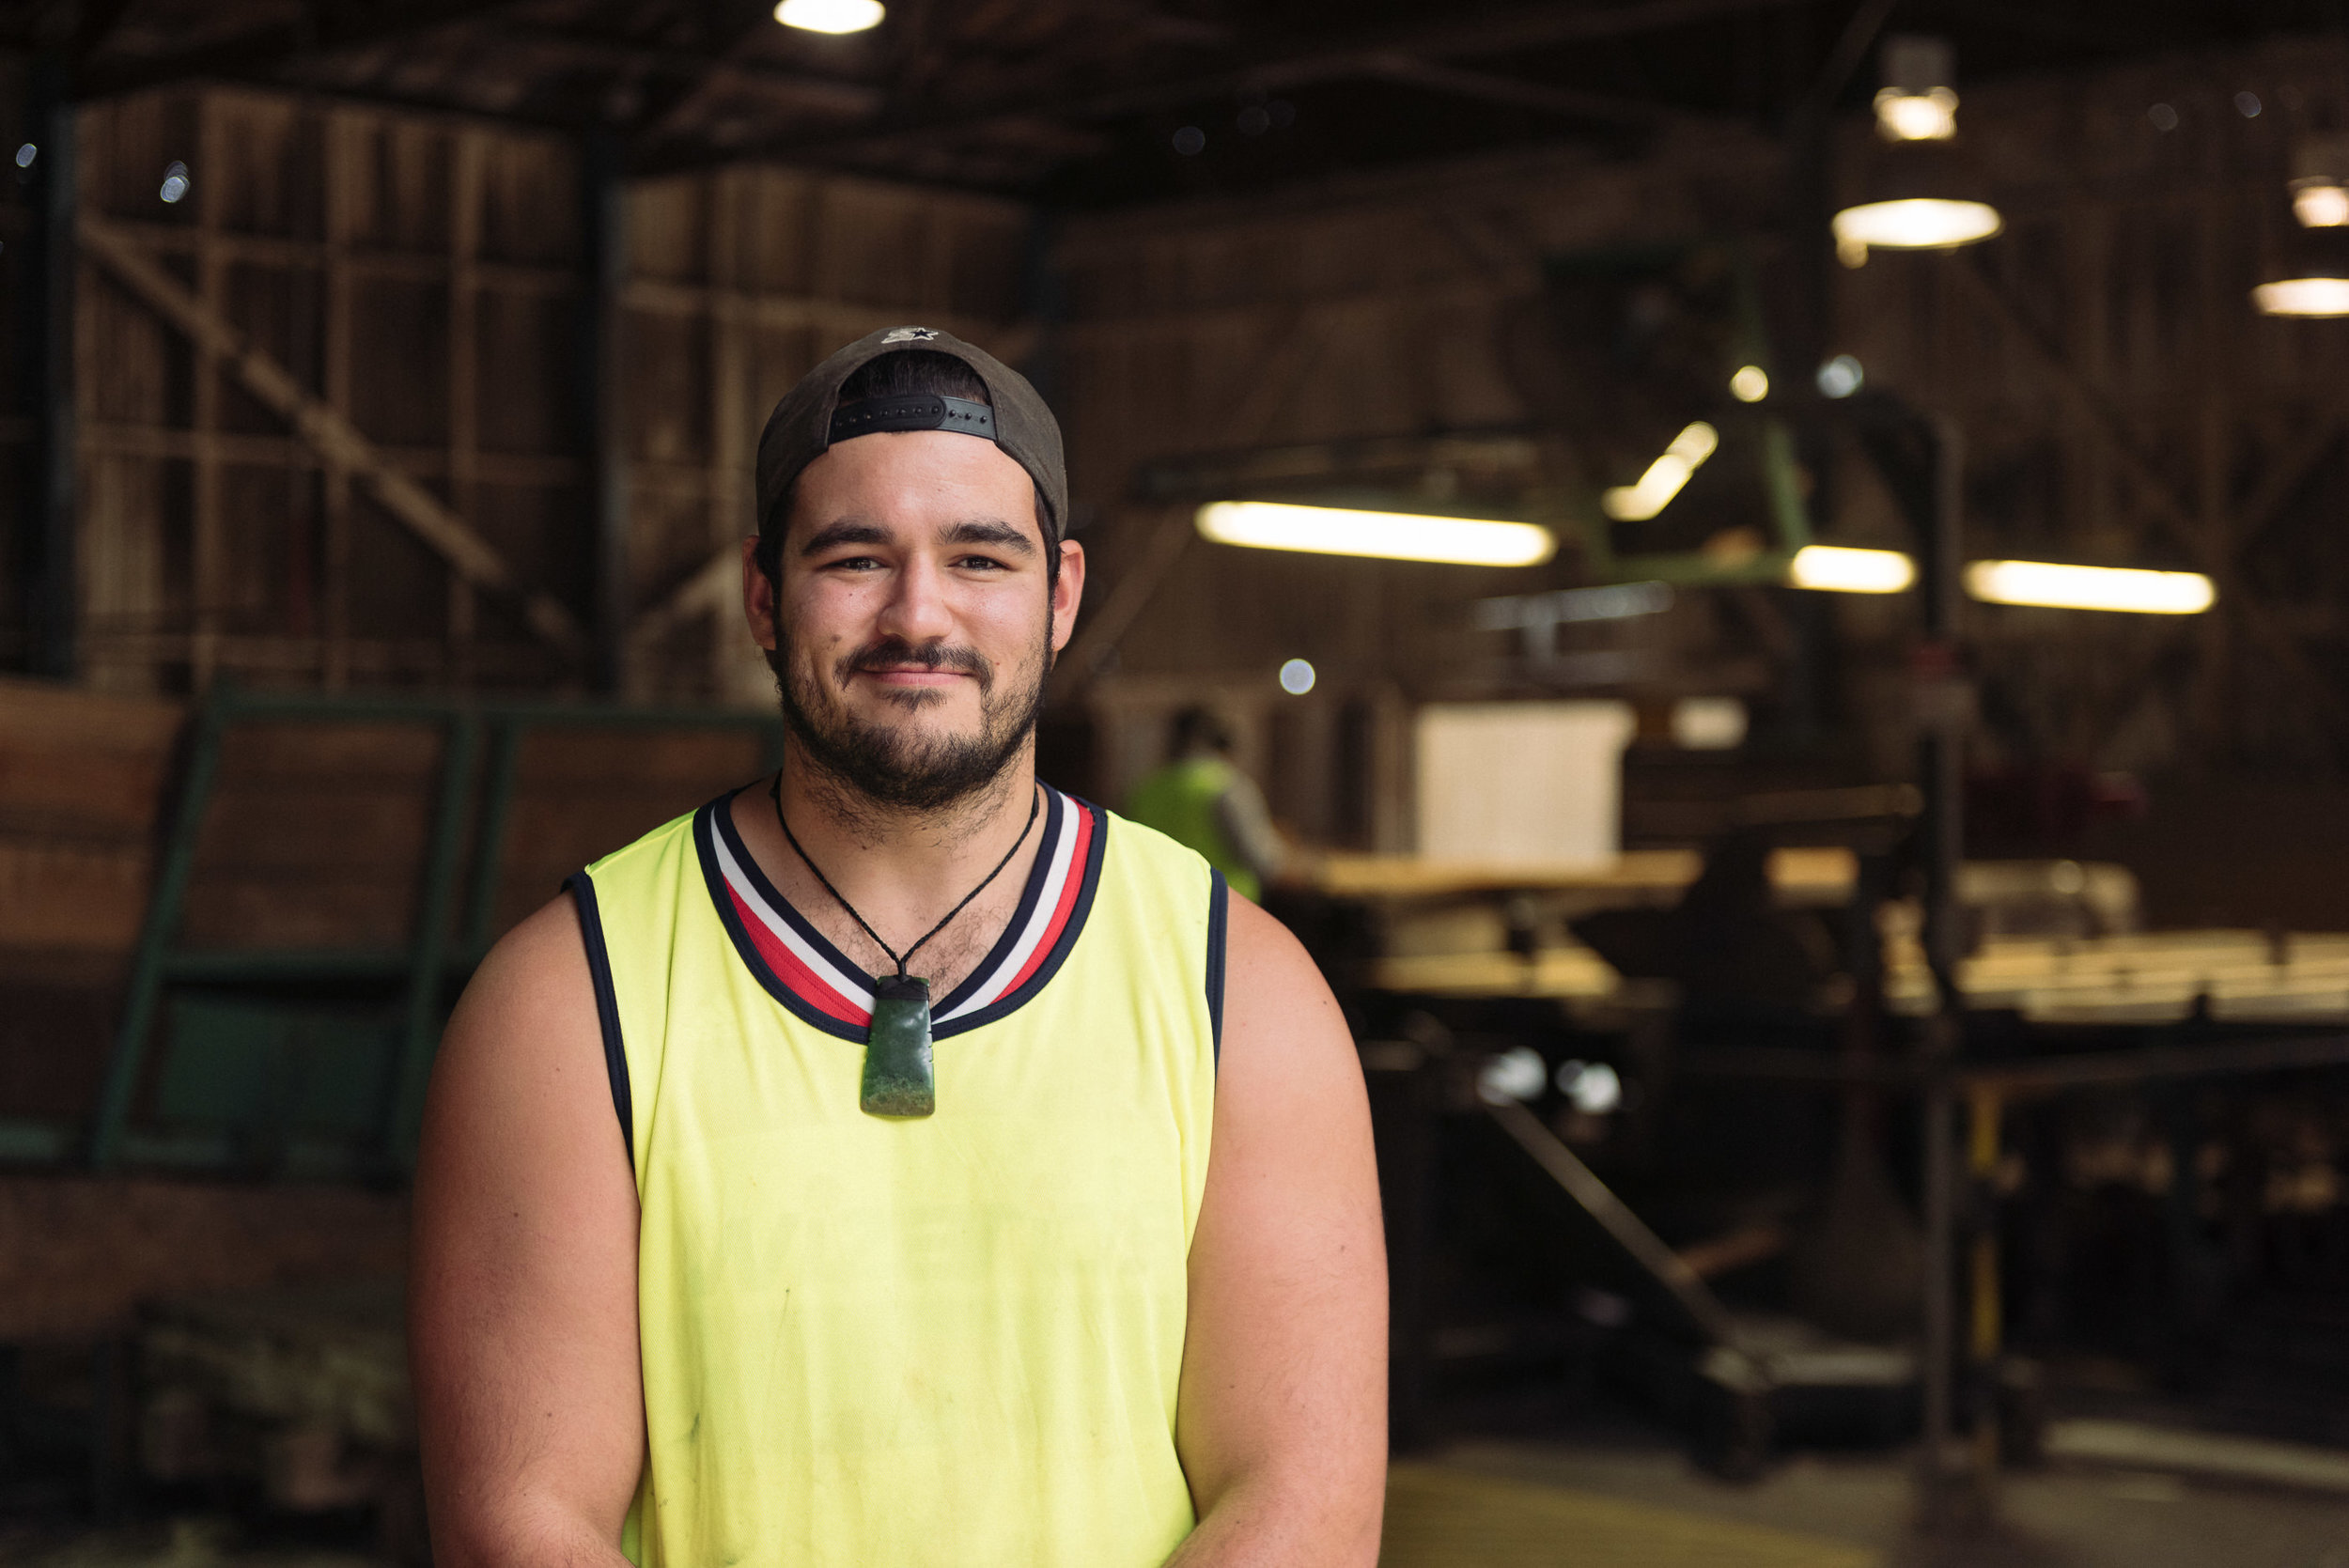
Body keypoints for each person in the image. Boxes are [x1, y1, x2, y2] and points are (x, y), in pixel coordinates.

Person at [408, 326, 1387, 1568]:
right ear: (765, 597)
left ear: (1063, 593)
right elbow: (524, 1521)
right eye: (856, 558)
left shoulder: (1242, 992)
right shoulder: (562, 1001)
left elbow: (1300, 1505)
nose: (919, 613)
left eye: (980, 556)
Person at [1125, 706, 1289, 902]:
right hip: (1225, 910)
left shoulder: (1147, 789)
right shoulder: (1227, 786)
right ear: (1224, 743)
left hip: (1159, 907)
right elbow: (1265, 861)